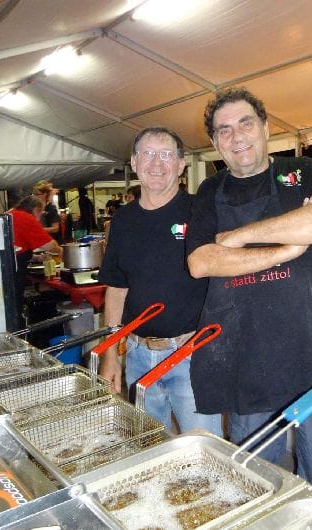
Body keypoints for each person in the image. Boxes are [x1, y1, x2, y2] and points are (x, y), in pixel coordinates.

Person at [186, 87, 312, 504]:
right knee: (255, 481)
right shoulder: (211, 191)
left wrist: (239, 237)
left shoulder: (301, 170)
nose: (237, 136)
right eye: (223, 130)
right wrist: (289, 245)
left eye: (246, 123)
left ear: (265, 127)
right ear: (214, 143)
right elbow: (201, 261)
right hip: (246, 357)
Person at [97, 127, 221, 436]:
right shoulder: (123, 221)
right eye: (148, 154)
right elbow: (116, 289)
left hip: (191, 354)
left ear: (181, 166)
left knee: (205, 450)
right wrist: (110, 354)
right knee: (149, 448)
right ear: (134, 162)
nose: (157, 163)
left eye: (166, 154)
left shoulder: (202, 211)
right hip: (138, 356)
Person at [8, 195, 61, 328]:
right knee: (15, 310)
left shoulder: (10, 214)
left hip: (5, 268)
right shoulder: (26, 218)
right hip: (13, 273)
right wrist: (63, 252)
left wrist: (35, 258)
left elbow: (16, 246)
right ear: (36, 210)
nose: (40, 219)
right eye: (41, 214)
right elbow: (51, 246)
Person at [33, 179, 62, 244]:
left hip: (52, 243)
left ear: (44, 194)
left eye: (37, 194)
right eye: (34, 194)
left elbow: (55, 228)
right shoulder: (36, 208)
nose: (35, 196)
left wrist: (37, 229)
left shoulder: (51, 208)